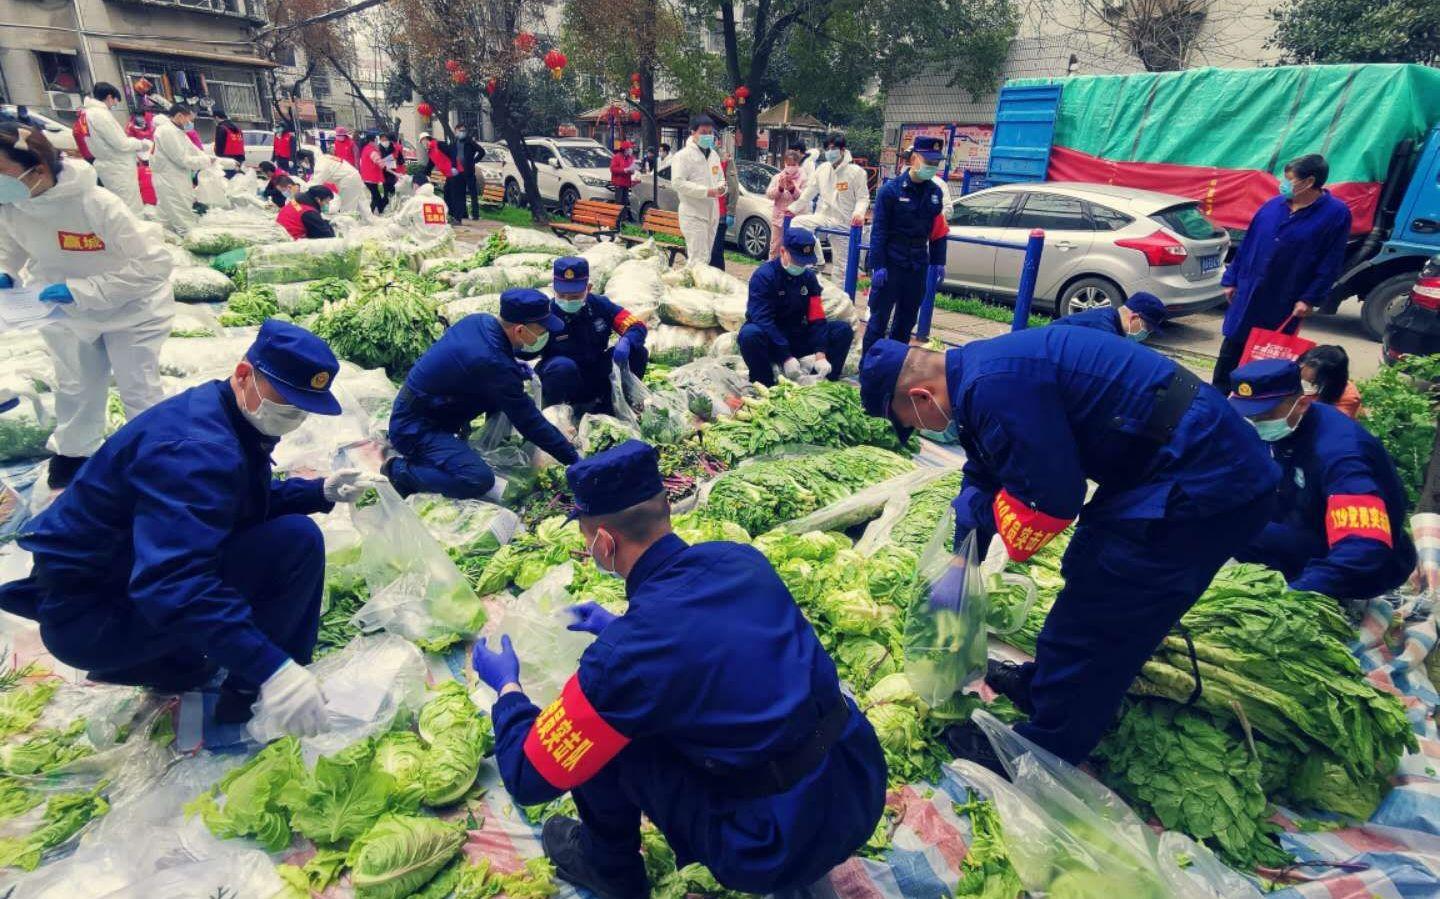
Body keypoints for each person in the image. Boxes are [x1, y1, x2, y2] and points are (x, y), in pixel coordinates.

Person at [473, 439, 886, 897]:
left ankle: (609, 869)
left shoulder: (626, 658)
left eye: (588, 539)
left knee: (609, 735)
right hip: (859, 785)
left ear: (604, 542)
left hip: (770, 844)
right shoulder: (739, 559)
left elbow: (529, 777)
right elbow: (720, 644)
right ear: (665, 507)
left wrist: (507, 687)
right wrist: (617, 624)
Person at [857, 328, 1279, 768]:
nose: (920, 430)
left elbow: (1051, 500)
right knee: (1086, 574)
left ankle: (1045, 748)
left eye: (910, 422)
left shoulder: (995, 389)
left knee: (1104, 615)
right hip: (1162, 467)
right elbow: (986, 467)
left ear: (923, 398)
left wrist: (983, 511)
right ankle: (1044, 688)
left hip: (1205, 483)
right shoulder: (976, 376)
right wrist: (964, 557)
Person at [0, 321, 370, 735]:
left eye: (302, 409)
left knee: (194, 662)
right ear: (244, 375)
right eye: (286, 403)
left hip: (107, 586)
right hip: (92, 618)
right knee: (294, 542)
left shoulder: (221, 412)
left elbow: (230, 507)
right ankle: (250, 697)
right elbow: (171, 583)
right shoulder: (196, 450)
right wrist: (273, 669)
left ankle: (172, 663)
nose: (293, 417)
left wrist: (317, 491)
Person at [0, 123, 176, 489]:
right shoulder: (12, 206)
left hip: (131, 310)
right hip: (62, 309)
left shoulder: (95, 203)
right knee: (76, 386)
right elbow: (10, 248)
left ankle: (155, 457)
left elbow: (152, 265)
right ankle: (74, 453)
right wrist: (5, 272)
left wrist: (83, 289)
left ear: (39, 168)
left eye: (2, 171)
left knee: (137, 388)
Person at [1229, 359, 1416, 599]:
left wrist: (1297, 596)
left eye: (1264, 415)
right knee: (1227, 523)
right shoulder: (1281, 429)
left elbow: (1363, 547)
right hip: (1304, 528)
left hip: (1360, 563)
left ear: (1302, 404)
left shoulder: (1342, 454)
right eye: (1248, 415)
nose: (1255, 423)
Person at [383, 289, 580, 500]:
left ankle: (453, 448)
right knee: (477, 479)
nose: (544, 335)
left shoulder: (481, 321)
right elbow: (529, 421)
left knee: (508, 396)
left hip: (430, 406)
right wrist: (575, 461)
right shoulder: (493, 363)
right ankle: (398, 470)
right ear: (520, 330)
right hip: (414, 427)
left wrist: (511, 367)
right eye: (541, 330)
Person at [1213, 153, 1351, 391]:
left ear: (1308, 182)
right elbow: (1248, 245)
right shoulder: (1272, 206)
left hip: (1285, 297)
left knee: (1265, 354)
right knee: (1232, 347)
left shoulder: (1336, 214)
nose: (1283, 184)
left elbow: (1331, 261)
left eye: (1289, 179)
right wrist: (1232, 279)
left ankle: (1251, 400)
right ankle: (1218, 395)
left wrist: (1309, 298)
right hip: (1249, 290)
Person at [862, 136, 947, 354]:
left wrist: (938, 261)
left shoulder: (935, 193)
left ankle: (894, 367)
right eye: (928, 161)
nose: (932, 167)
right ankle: (869, 367)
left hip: (917, 264)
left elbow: (938, 231)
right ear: (914, 158)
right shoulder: (890, 191)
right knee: (878, 320)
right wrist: (877, 265)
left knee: (907, 320)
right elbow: (879, 231)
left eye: (936, 163)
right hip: (891, 262)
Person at [738, 228, 853, 386]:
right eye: (797, 261)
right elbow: (762, 319)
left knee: (842, 330)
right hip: (771, 338)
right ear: (783, 251)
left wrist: (820, 353)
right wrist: (785, 356)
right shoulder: (764, 276)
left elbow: (817, 316)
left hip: (796, 335)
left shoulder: (809, 278)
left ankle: (822, 382)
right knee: (749, 335)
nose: (800, 266)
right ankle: (765, 383)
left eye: (804, 262)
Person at [536, 257, 648, 410]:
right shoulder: (545, 313)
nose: (567, 300)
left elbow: (636, 325)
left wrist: (627, 341)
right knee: (562, 367)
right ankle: (558, 412)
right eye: (561, 295)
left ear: (588, 288)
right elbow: (524, 348)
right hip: (562, 378)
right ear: (554, 288)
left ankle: (611, 405)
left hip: (594, 371)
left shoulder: (600, 305)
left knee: (638, 352)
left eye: (574, 296)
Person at [789, 133, 869, 278]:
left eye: (833, 148)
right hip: (825, 216)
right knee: (797, 223)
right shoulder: (823, 169)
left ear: (843, 150)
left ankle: (843, 298)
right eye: (827, 148)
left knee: (842, 267)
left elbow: (863, 198)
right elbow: (809, 192)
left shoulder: (856, 172)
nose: (830, 152)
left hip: (845, 222)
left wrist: (859, 213)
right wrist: (792, 209)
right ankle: (817, 259)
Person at [77, 83, 147, 209]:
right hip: (117, 166)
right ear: (109, 97)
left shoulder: (87, 113)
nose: (114, 105)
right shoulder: (100, 115)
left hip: (108, 164)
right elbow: (121, 144)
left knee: (119, 204)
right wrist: (141, 144)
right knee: (129, 205)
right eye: (115, 101)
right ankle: (130, 228)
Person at [670, 115, 726, 270]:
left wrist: (721, 188)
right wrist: (706, 192)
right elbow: (678, 183)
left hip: (711, 212)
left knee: (706, 256)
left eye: (710, 132)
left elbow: (720, 178)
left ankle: (695, 287)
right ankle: (692, 291)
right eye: (703, 132)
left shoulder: (713, 155)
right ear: (693, 132)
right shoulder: (683, 156)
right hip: (693, 213)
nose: (708, 136)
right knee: (697, 258)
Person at [151, 103, 214, 235]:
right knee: (182, 217)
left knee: (168, 216)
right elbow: (182, 159)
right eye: (188, 119)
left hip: (176, 178)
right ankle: (188, 242)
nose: (189, 123)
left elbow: (194, 150)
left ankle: (168, 241)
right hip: (170, 179)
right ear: (179, 116)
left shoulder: (178, 131)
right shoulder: (167, 132)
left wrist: (213, 160)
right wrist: (206, 161)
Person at [1052, 291, 1168, 342]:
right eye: (1147, 328)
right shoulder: (1104, 330)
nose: (1147, 334)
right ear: (1134, 318)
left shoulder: (1109, 317)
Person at [1298, 345, 1364, 418]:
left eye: (1312, 383)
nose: (1304, 385)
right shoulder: (1295, 371)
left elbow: (1328, 423)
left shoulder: (1348, 398)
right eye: (1301, 378)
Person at [764, 148, 807, 259]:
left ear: (797, 164)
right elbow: (769, 194)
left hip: (796, 220)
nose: (790, 167)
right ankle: (773, 272)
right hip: (779, 220)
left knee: (792, 250)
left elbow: (805, 198)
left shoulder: (803, 178)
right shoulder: (778, 177)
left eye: (793, 164)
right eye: (788, 164)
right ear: (784, 163)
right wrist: (780, 189)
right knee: (775, 249)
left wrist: (793, 189)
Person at [310, 152, 371, 219]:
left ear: (306, 159)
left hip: (348, 180)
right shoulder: (324, 158)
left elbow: (315, 184)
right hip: (354, 175)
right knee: (362, 204)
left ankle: (348, 227)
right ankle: (369, 221)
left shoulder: (320, 165)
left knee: (347, 209)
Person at [420, 134, 463, 224]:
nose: (422, 143)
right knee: (447, 194)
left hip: (456, 172)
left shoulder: (439, 144)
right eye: (421, 142)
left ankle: (458, 219)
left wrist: (454, 166)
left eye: (422, 141)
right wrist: (422, 176)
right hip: (449, 175)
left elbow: (452, 152)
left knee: (455, 196)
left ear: (427, 139)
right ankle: (451, 215)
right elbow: (430, 165)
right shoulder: (430, 151)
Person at [710, 145, 740, 270]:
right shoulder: (702, 158)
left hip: (720, 213)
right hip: (706, 211)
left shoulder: (726, 160)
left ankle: (718, 277)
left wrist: (731, 212)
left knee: (715, 250)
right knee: (709, 250)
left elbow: (733, 188)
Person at [449, 125, 485, 220]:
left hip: (468, 171)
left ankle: (475, 214)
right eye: (460, 130)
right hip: (458, 172)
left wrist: (474, 160)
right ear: (456, 131)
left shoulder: (470, 142)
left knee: (473, 193)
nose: (462, 132)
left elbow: (482, 151)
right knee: (461, 193)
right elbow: (451, 155)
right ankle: (463, 213)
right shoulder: (454, 142)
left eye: (463, 130)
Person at [127, 110, 158, 207]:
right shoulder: (130, 126)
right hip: (141, 148)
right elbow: (129, 139)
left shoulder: (150, 119)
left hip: (147, 146)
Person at [359, 134, 390, 213]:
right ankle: (373, 212)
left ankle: (376, 211)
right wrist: (384, 166)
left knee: (375, 195)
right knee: (376, 196)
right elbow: (377, 159)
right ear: (372, 140)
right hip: (371, 177)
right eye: (376, 140)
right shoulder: (370, 149)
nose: (377, 142)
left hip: (367, 176)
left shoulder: (366, 148)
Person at [212, 108, 245, 174]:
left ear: (216, 117)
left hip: (227, 159)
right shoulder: (237, 127)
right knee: (235, 178)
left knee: (225, 180)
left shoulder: (221, 128)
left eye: (213, 118)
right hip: (239, 158)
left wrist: (218, 158)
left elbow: (219, 144)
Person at [609, 140, 636, 214]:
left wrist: (632, 170)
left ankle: (623, 218)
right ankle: (617, 218)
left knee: (625, 201)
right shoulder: (617, 157)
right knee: (619, 202)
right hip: (619, 183)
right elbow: (613, 169)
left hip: (627, 183)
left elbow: (631, 167)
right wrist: (624, 170)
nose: (631, 150)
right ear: (625, 149)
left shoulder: (630, 157)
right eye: (630, 148)